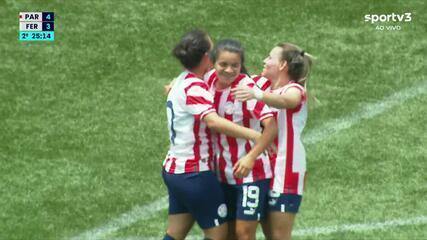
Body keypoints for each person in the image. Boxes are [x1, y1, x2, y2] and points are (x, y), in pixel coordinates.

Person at [163, 30, 266, 240]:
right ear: (206, 58)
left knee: (175, 232)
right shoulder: (195, 87)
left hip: (174, 169)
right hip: (195, 173)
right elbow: (212, 121)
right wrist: (255, 135)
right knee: (219, 235)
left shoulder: (182, 81)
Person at [232, 42, 313, 240]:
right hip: (264, 168)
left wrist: (256, 94)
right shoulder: (263, 83)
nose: (264, 61)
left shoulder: (294, 90)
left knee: (278, 236)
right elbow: (231, 79)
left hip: (286, 170)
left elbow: (288, 102)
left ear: (283, 65)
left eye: (270, 58)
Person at [205, 39, 277, 240]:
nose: (228, 70)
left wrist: (251, 158)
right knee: (227, 233)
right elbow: (189, 80)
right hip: (222, 174)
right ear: (213, 63)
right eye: (223, 64)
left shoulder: (245, 89)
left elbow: (271, 126)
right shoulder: (209, 80)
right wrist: (174, 84)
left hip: (251, 174)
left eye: (235, 65)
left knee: (244, 234)